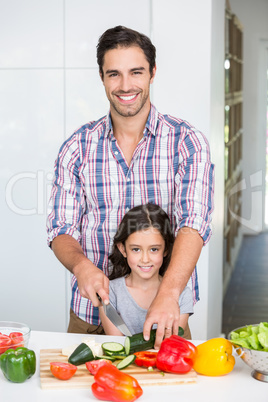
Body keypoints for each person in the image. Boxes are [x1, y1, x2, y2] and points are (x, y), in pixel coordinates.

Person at [46, 25, 214, 348]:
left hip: (166, 315)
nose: (125, 86)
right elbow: (59, 229)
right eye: (114, 74)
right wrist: (81, 267)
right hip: (91, 318)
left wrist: (168, 294)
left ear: (152, 72)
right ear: (102, 77)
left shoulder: (187, 143)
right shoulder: (76, 148)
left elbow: (194, 225)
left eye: (136, 72)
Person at [99, 203, 193, 338]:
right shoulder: (109, 292)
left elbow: (170, 341)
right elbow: (118, 344)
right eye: (136, 249)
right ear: (123, 249)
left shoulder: (182, 294)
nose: (145, 259)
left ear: (166, 249)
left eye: (154, 249)